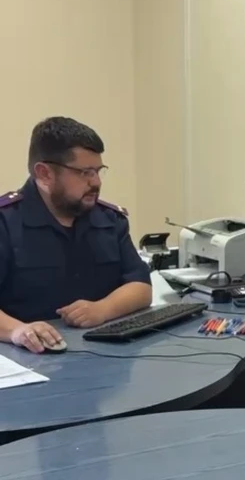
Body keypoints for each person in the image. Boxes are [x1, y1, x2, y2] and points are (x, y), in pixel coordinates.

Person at [0, 117, 151, 353]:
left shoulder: (109, 219)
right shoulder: (6, 223)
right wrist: (17, 331)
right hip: (28, 358)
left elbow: (141, 286)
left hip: (107, 355)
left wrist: (103, 309)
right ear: (45, 174)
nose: (96, 182)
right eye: (85, 173)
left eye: (98, 171)